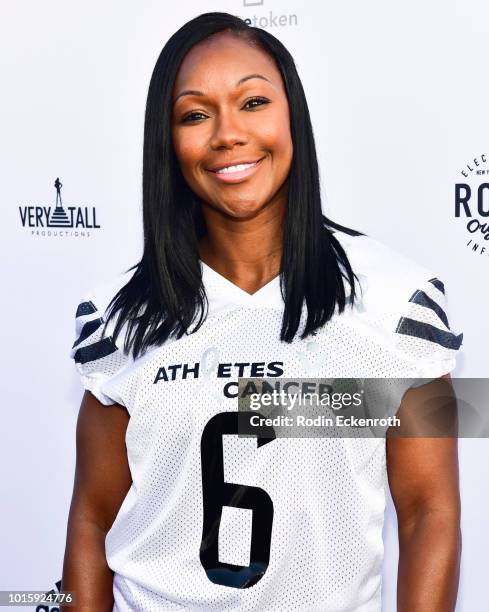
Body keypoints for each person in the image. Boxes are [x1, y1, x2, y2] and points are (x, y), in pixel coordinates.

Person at [61, 12, 463, 612]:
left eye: (252, 102)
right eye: (196, 114)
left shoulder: (398, 303)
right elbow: (93, 521)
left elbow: (429, 512)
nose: (228, 134)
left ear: (292, 115)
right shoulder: (118, 320)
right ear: (169, 142)